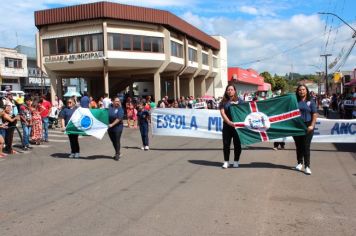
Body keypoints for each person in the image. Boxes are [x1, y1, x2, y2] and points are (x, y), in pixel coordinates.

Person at [293, 84, 318, 175]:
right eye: (300, 90)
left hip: (308, 126)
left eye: (303, 89)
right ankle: (299, 163)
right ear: (297, 91)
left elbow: (315, 114)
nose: (301, 91)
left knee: (306, 146)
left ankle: (307, 166)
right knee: (298, 146)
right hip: (297, 126)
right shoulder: (294, 101)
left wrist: (312, 125)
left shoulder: (311, 101)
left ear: (306, 91)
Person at [219, 84, 244, 169]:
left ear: (235, 91)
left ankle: (236, 161)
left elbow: (245, 111)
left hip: (237, 127)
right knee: (226, 144)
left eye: (231, 89)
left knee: (237, 145)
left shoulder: (240, 101)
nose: (230, 91)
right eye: (228, 90)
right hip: (227, 126)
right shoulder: (223, 102)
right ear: (226, 91)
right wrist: (229, 122)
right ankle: (226, 162)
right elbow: (222, 113)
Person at [108, 96, 124, 161]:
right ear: (113, 102)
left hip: (118, 127)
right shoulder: (110, 108)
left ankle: (117, 154)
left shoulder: (120, 109)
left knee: (117, 140)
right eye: (116, 101)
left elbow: (119, 119)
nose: (117, 102)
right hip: (110, 127)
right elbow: (105, 114)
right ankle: (118, 151)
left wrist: (112, 124)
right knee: (113, 140)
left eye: (118, 101)